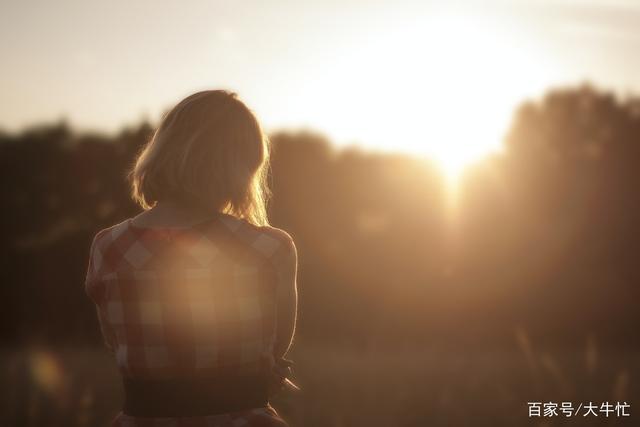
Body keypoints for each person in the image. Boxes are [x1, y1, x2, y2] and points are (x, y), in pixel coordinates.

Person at [84, 90, 298, 426]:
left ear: (163, 150)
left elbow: (117, 344)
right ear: (242, 167)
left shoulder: (108, 246)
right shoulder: (270, 248)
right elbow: (276, 345)